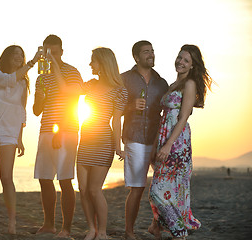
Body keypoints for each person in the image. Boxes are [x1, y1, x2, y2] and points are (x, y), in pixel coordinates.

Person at [148, 45, 213, 240]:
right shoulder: (173, 84)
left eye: (186, 60)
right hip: (164, 139)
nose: (180, 62)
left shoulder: (190, 84)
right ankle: (155, 227)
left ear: (192, 66)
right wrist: (156, 145)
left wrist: (168, 145)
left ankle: (179, 232)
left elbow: (183, 117)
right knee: (167, 189)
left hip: (177, 144)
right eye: (179, 58)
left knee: (157, 191)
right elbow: (164, 117)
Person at [0, 45, 41, 233]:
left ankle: (12, 223)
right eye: (15, 54)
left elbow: (22, 112)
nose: (18, 57)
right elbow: (9, 80)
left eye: (21, 55)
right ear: (6, 56)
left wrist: (20, 138)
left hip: (9, 133)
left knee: (6, 177)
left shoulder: (23, 83)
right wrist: (32, 62)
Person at [33, 34, 83, 237]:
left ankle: (66, 228)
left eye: (54, 52)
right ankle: (49, 224)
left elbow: (72, 102)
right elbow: (37, 111)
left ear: (61, 51)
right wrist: (40, 97)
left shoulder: (71, 72)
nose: (50, 56)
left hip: (66, 130)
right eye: (47, 52)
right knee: (45, 178)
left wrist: (59, 130)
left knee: (64, 179)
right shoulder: (41, 76)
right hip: (45, 129)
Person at [76, 47, 127, 240]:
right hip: (85, 141)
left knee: (94, 189)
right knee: (82, 189)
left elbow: (116, 121)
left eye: (93, 61)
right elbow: (68, 90)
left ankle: (103, 232)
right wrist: (55, 64)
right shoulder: (90, 85)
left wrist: (117, 147)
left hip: (103, 142)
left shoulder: (119, 91)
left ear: (103, 63)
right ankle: (92, 229)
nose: (90, 64)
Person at [121, 40, 168, 239]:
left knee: (162, 187)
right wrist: (130, 106)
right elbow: (112, 108)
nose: (151, 54)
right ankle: (129, 231)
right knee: (137, 188)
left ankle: (156, 225)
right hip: (134, 138)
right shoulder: (123, 79)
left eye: (152, 51)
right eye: (146, 52)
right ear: (136, 57)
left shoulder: (162, 82)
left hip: (157, 140)